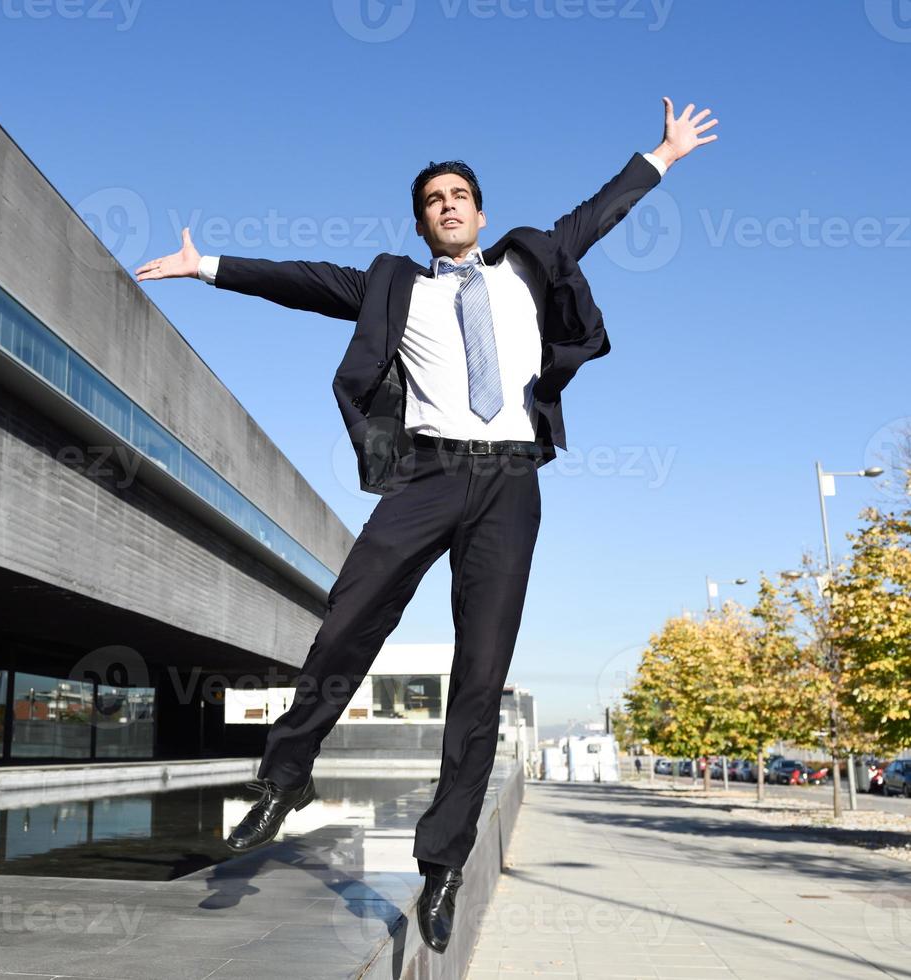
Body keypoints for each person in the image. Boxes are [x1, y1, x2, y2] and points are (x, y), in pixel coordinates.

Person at [137, 97, 718, 954]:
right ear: (420, 223)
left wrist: (662, 154)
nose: (445, 206)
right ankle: (285, 778)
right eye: (431, 201)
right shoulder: (392, 285)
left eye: (456, 196)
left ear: (478, 212)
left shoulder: (530, 260)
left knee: (480, 672)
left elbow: (599, 214)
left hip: (510, 483)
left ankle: (442, 862)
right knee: (349, 616)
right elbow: (302, 282)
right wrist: (208, 265)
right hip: (428, 474)